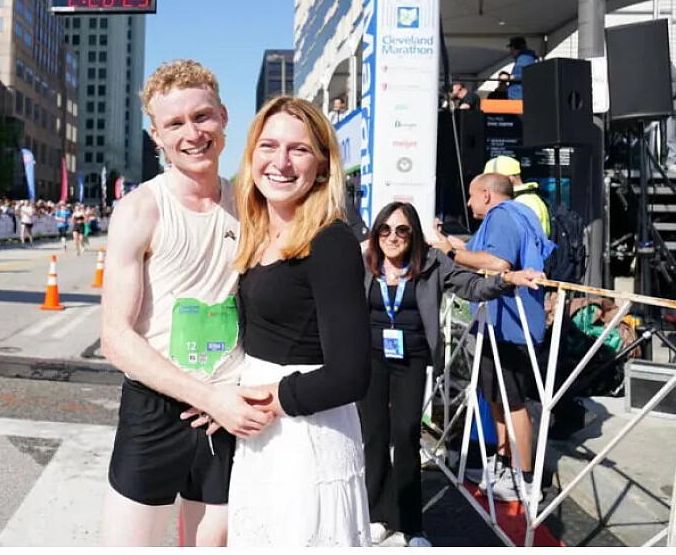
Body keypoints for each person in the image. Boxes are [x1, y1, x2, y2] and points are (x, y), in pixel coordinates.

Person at [99, 59, 272, 547]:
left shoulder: (252, 205)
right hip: (158, 409)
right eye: (175, 123)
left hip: (228, 409)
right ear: (156, 135)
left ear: (224, 117)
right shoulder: (141, 209)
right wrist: (206, 396)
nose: (192, 134)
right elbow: (115, 338)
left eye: (202, 116)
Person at [182, 95, 369, 546]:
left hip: (306, 437)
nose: (280, 162)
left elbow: (351, 374)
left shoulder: (330, 241)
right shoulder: (257, 233)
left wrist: (256, 400)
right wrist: (216, 393)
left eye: (298, 149)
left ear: (322, 165)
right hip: (261, 434)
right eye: (268, 146)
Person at [359, 201, 544, 547]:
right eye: (385, 229)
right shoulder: (365, 260)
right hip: (370, 358)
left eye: (402, 230)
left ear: (413, 234)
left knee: (406, 435)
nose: (392, 237)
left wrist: (508, 279)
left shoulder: (431, 262)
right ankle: (378, 515)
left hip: (411, 359)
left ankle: (412, 525)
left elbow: (472, 286)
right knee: (374, 436)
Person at [431, 173, 555, 505]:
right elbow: (476, 251)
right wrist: (445, 242)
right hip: (499, 324)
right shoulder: (511, 216)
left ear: (486, 194)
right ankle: (503, 464)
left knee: (512, 401)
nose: (468, 202)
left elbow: (497, 262)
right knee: (497, 397)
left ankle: (524, 478)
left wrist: (450, 254)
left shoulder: (503, 215)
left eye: (472, 196)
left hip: (513, 326)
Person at [484, 155, 550, 236]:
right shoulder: (526, 199)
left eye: (493, 182)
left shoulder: (522, 203)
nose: (489, 187)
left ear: (510, 179)